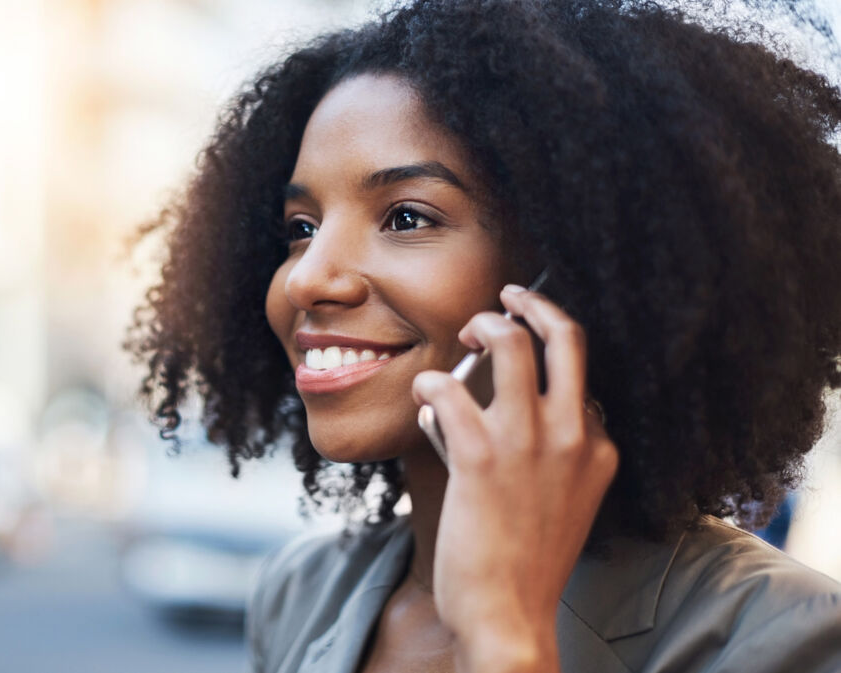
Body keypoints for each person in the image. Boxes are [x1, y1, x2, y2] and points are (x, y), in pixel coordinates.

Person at [126, 1, 841, 671]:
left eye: (406, 216)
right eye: (300, 229)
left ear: (580, 270)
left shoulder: (782, 631)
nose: (307, 278)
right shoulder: (301, 591)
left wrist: (504, 632)